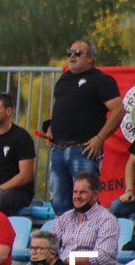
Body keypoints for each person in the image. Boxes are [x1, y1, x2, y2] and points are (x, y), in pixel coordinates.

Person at [47, 40, 122, 215]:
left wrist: (100, 138)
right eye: (69, 53)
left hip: (83, 149)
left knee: (85, 199)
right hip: (58, 148)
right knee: (58, 201)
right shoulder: (64, 78)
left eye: (78, 53)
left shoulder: (101, 80)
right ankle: (65, 240)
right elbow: (63, 107)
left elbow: (118, 109)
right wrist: (51, 126)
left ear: (90, 58)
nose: (72, 57)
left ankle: (88, 239)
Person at [52, 172, 119, 265]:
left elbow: (102, 255)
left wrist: (73, 260)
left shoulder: (107, 220)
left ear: (95, 195)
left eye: (82, 192)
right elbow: (51, 245)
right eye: (75, 192)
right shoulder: (65, 218)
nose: (77, 196)